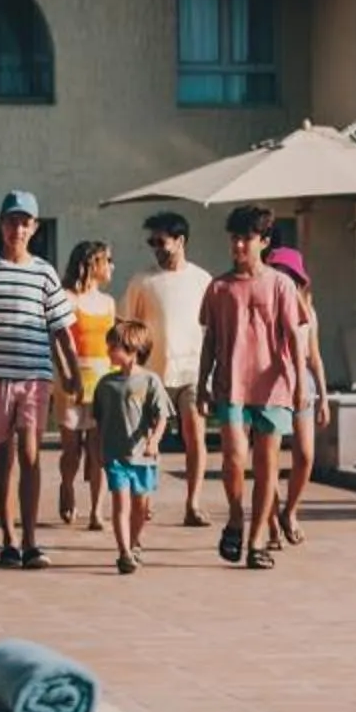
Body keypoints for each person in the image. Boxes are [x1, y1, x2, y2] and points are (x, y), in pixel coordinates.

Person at [0, 191, 79, 569]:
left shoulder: (44, 273)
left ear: (34, 227)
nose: (17, 229)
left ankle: (31, 541)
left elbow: (61, 329)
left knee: (31, 456)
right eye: (11, 221)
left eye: (25, 222)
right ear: (1, 225)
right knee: (2, 456)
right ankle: (8, 539)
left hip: (35, 378)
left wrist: (72, 372)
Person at [196, 204, 310, 572]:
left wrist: (299, 385)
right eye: (234, 238)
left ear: (263, 241)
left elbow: (294, 336)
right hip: (231, 386)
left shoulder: (281, 285)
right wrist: (202, 383)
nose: (239, 246)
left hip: (274, 386)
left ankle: (258, 539)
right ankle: (234, 516)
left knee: (267, 465)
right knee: (232, 457)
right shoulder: (219, 287)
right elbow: (210, 340)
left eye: (246, 238)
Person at [124, 211, 214, 531]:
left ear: (180, 241)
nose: (156, 249)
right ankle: (144, 499)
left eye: (161, 242)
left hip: (192, 370)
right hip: (152, 374)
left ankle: (193, 503)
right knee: (148, 440)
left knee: (195, 436)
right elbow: (127, 327)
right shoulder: (142, 281)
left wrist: (211, 372)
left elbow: (211, 327)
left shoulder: (202, 280)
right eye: (151, 243)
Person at [90, 318, 171, 577]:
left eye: (113, 347)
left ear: (133, 349)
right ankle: (124, 552)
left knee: (141, 507)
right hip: (116, 456)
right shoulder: (105, 385)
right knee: (120, 505)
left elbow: (162, 417)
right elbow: (98, 422)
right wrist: (98, 451)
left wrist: (154, 440)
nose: (108, 352)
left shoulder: (150, 381)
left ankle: (135, 543)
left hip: (144, 459)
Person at [264, 246, 331, 548]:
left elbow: (314, 356)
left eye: (287, 274)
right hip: (269, 383)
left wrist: (325, 397)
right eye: (276, 272)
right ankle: (270, 520)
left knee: (305, 455)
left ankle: (289, 511)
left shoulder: (308, 311)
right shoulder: (262, 308)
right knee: (269, 458)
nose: (282, 279)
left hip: (302, 382)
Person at [54, 240, 120, 534]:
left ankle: (96, 510)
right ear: (92, 264)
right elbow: (59, 341)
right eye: (108, 260)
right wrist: (69, 376)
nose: (112, 266)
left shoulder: (108, 303)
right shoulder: (67, 299)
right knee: (72, 449)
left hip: (103, 381)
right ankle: (67, 486)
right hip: (72, 380)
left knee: (99, 450)